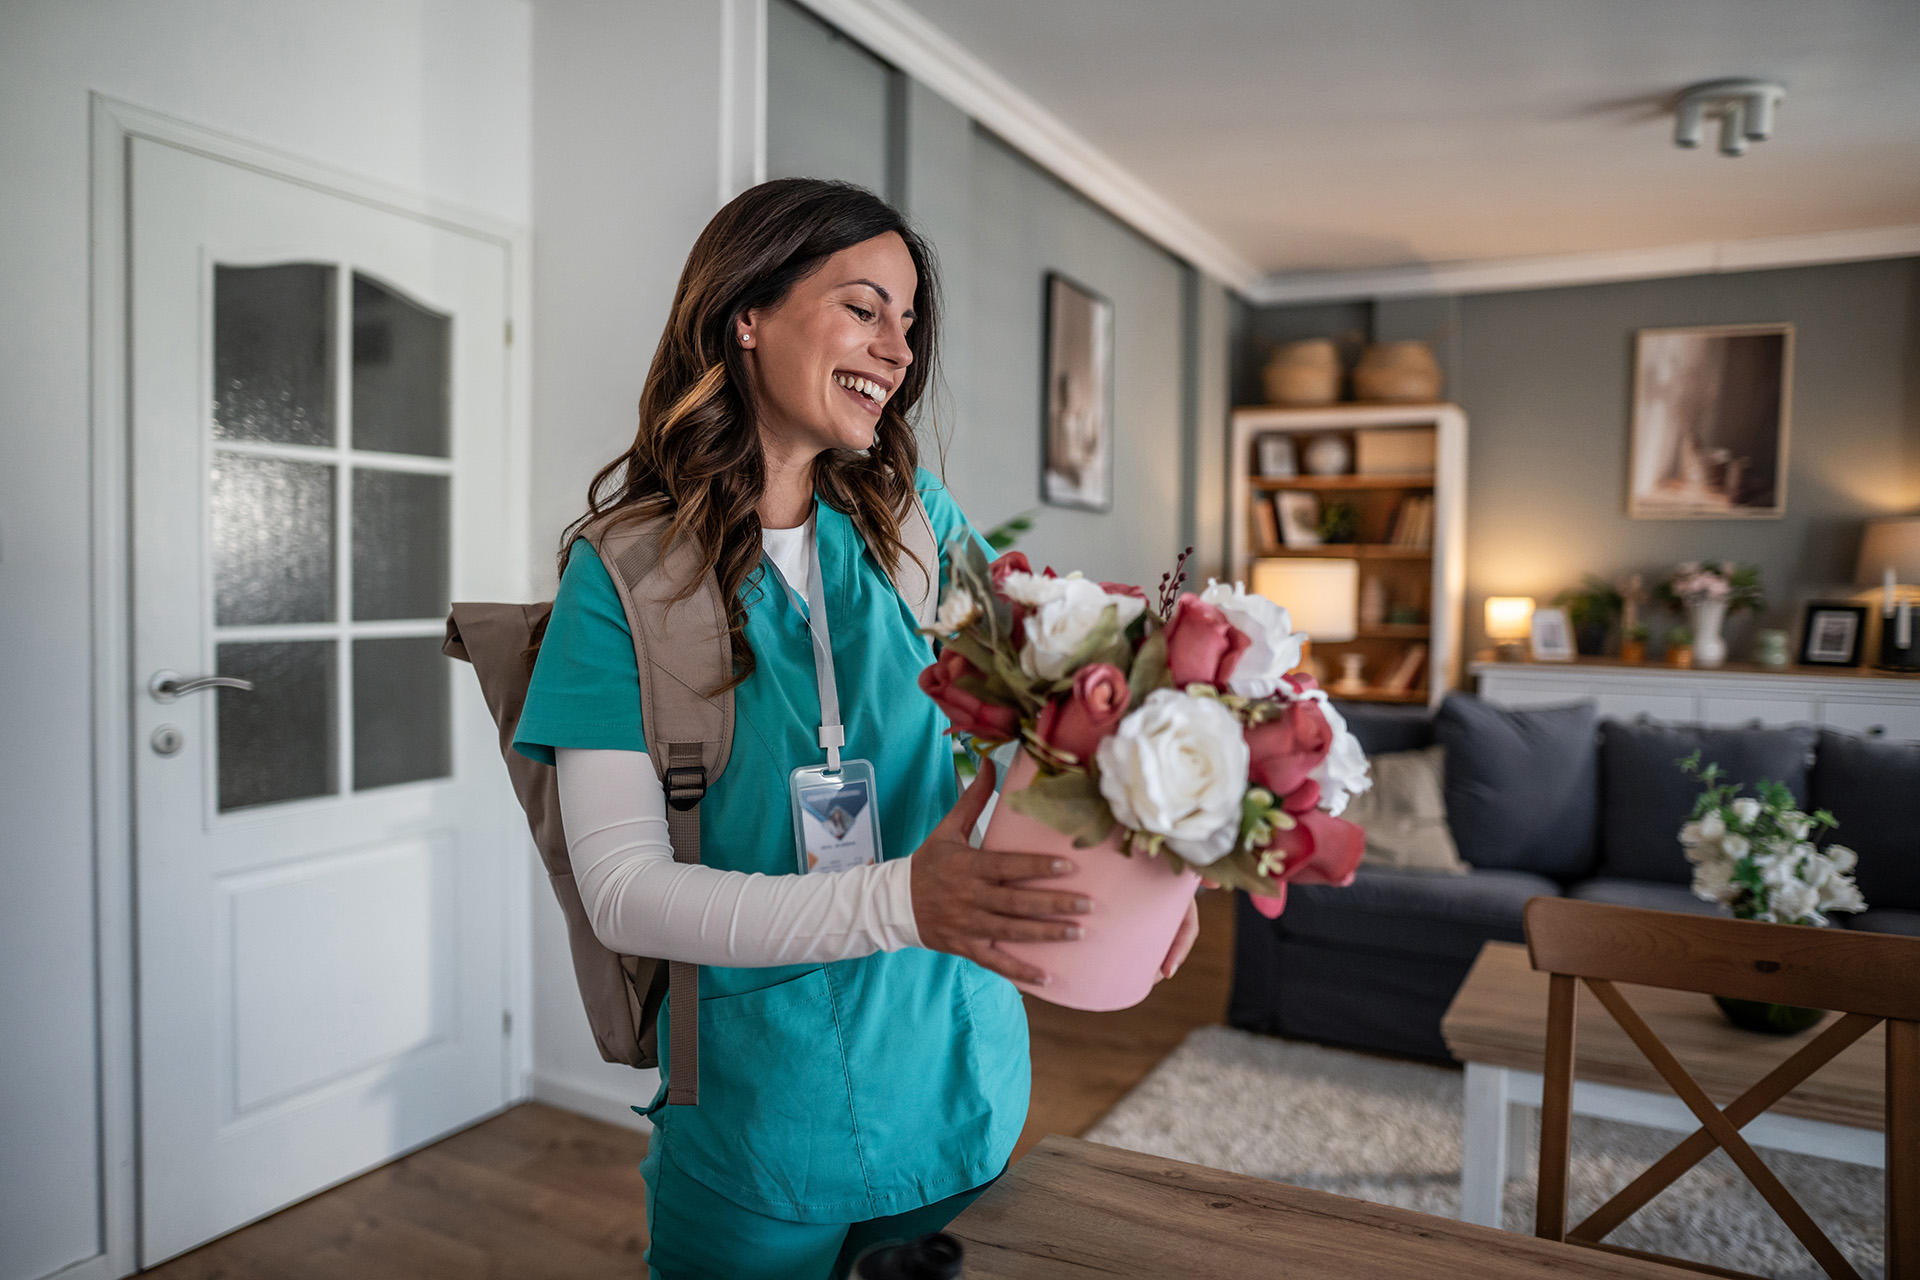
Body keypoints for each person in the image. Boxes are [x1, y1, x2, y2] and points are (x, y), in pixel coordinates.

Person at [510, 178, 1199, 1280]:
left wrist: (1157, 876)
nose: (898, 348)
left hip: (962, 1080)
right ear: (746, 313)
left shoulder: (920, 527)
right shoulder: (625, 578)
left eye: (910, 321)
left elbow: (1062, 735)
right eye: (865, 306)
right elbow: (623, 892)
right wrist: (900, 899)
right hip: (760, 1117)